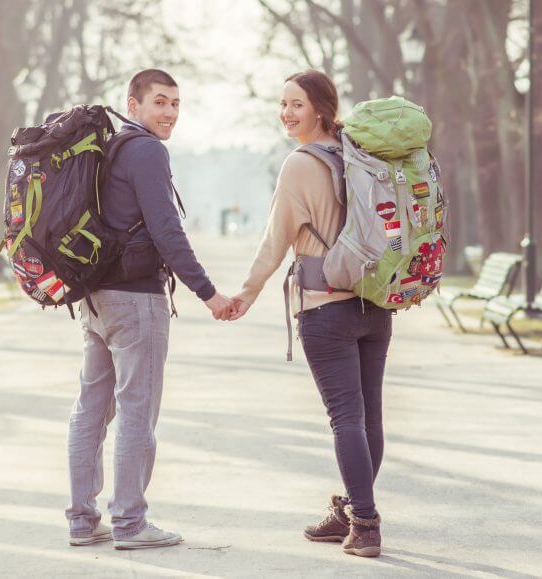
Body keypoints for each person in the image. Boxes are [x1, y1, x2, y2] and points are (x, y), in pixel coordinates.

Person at [64, 69, 234, 550]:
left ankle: (82, 519)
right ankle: (130, 522)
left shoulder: (109, 148)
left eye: (176, 104)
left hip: (96, 296)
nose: (170, 113)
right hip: (136, 300)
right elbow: (166, 230)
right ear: (133, 104)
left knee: (91, 409)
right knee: (137, 411)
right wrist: (208, 292)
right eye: (160, 102)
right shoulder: (147, 151)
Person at [230, 70, 391, 558]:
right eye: (282, 104)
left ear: (321, 108)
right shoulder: (356, 154)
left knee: (346, 418)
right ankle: (350, 509)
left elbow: (275, 240)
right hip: (374, 304)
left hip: (326, 307)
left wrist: (246, 293)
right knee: (369, 419)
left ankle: (364, 522)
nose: (286, 113)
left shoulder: (300, 164)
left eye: (296, 104)